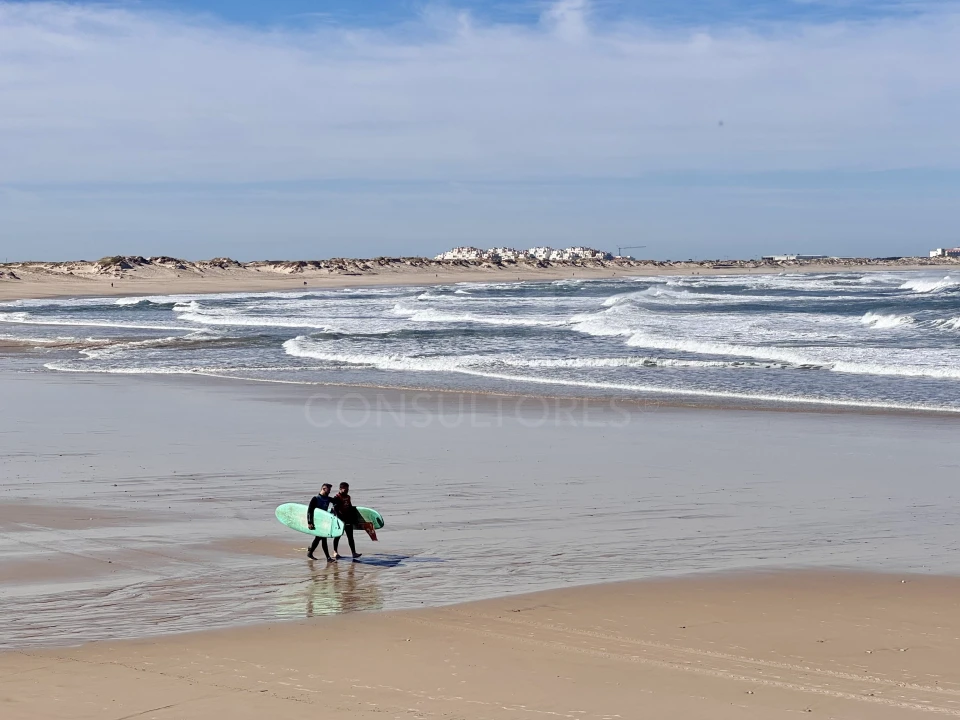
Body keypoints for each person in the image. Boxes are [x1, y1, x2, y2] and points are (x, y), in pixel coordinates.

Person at [331, 481, 376, 560]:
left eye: (347, 489)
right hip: (340, 520)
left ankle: (354, 553)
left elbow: (350, 508)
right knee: (337, 536)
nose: (347, 490)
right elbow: (336, 510)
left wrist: (355, 519)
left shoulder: (348, 497)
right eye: (345, 489)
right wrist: (340, 520)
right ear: (340, 489)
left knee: (350, 537)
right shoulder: (336, 498)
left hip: (348, 520)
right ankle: (335, 552)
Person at [306, 483, 335, 561]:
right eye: (329, 490)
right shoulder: (315, 498)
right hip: (317, 521)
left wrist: (333, 508)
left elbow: (336, 502)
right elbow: (310, 511)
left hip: (324, 521)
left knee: (319, 538)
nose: (330, 491)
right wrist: (310, 522)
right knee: (322, 538)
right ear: (324, 489)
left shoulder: (328, 499)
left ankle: (310, 553)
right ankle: (328, 557)